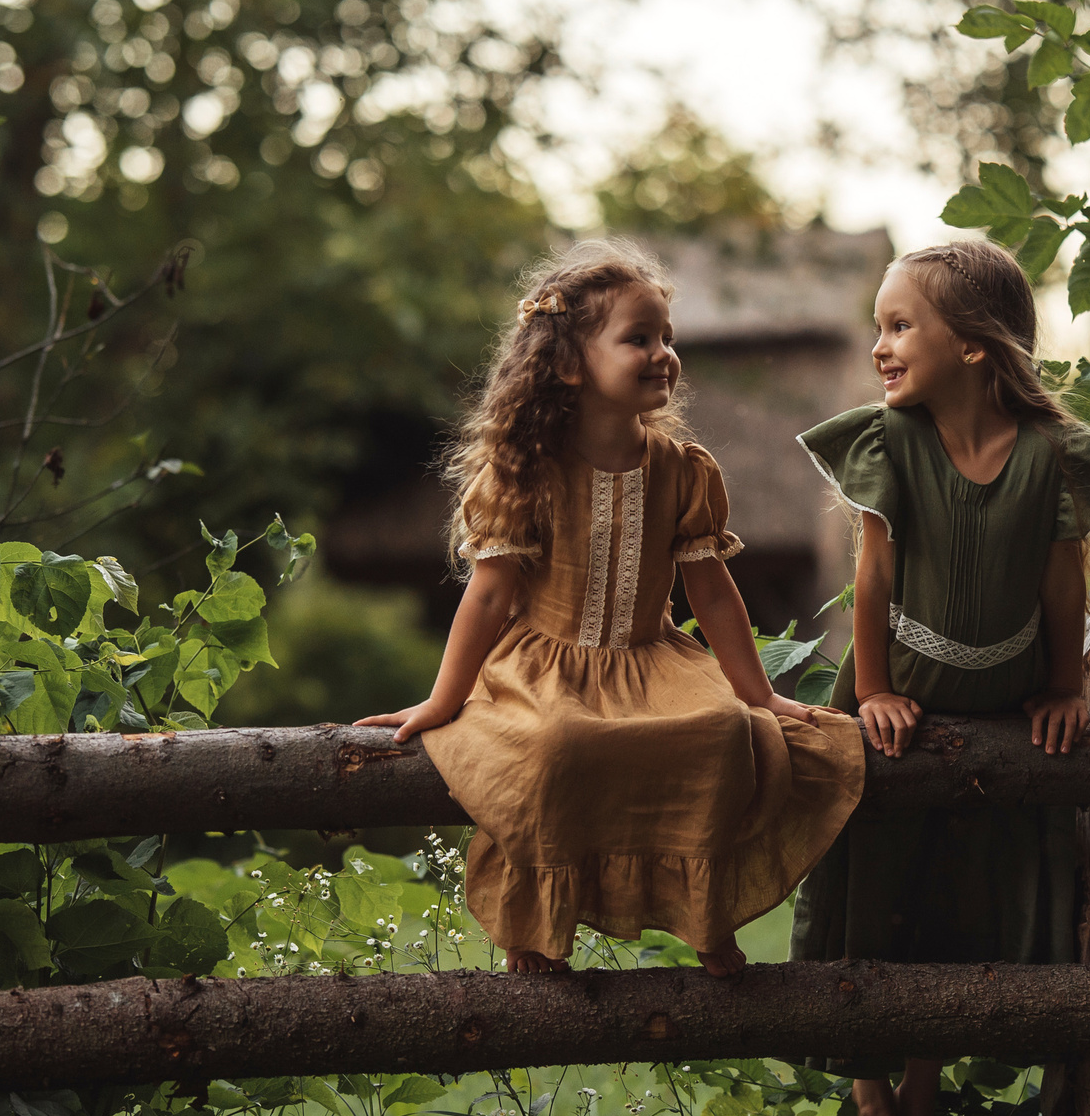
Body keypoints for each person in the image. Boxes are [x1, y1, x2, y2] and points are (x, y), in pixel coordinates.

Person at [365, 238, 864, 978]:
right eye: (639, 338)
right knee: (556, 746)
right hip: (546, 665)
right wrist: (445, 698)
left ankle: (707, 917)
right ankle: (535, 935)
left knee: (726, 730)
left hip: (650, 658)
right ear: (570, 363)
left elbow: (713, 592)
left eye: (668, 336)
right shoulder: (526, 472)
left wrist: (759, 693)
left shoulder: (684, 471)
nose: (663, 352)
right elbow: (493, 592)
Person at [789, 236, 1090, 1116]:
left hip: (1000, 706)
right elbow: (876, 581)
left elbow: (1063, 585)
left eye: (902, 325)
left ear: (977, 347)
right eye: (879, 327)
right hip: (898, 695)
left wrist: (1067, 686)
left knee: (954, 893)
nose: (882, 345)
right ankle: (872, 1098)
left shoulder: (1048, 458)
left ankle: (923, 1087)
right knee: (875, 891)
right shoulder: (889, 443)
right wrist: (873, 693)